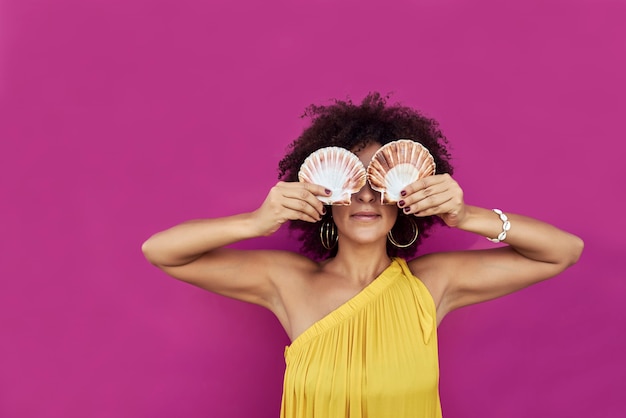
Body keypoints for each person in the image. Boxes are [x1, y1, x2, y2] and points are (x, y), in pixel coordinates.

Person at [141, 93, 583, 418]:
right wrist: (257, 222)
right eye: (350, 183)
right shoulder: (290, 282)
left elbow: (562, 251)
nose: (366, 197)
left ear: (406, 195)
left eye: (381, 182)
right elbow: (161, 251)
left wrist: (465, 215)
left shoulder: (431, 285)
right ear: (325, 193)